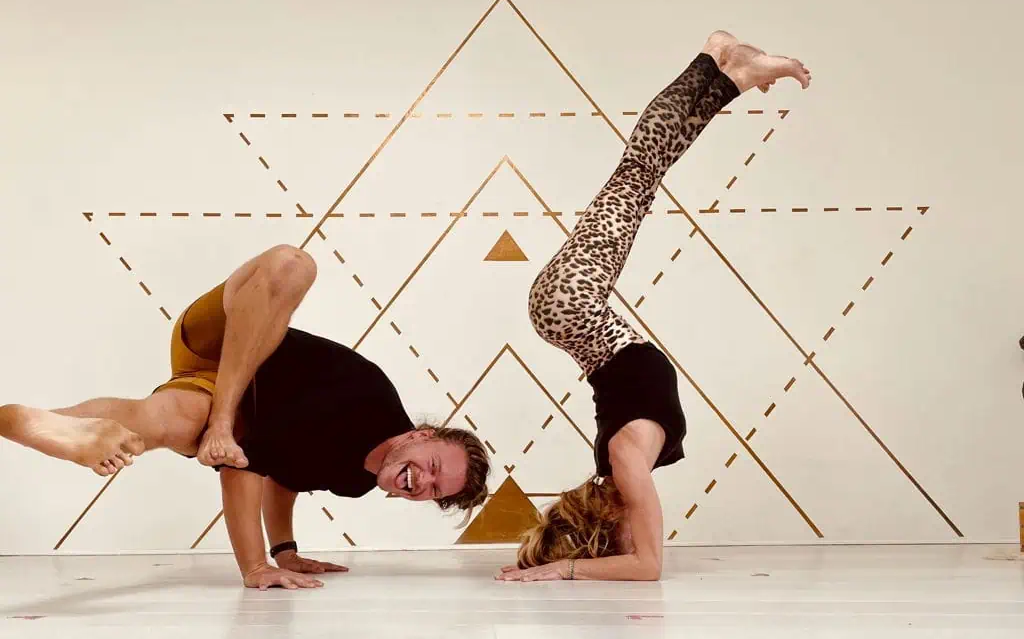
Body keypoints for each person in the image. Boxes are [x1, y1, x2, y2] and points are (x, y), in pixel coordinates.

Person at [496, 31, 811, 582]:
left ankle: (717, 61)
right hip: (572, 317)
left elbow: (646, 567)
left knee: (636, 174)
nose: (637, 535)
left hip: (572, 310)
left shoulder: (623, 463)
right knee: (641, 176)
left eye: (609, 546)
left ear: (601, 531)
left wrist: (566, 569)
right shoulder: (619, 467)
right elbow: (640, 557)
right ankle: (728, 75)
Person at [1, 244, 490, 590]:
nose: (423, 482)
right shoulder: (366, 398)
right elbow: (242, 464)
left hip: (217, 398)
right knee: (292, 265)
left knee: (161, 422)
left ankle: (46, 423)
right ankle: (213, 419)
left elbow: (284, 478)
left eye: (434, 490)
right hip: (232, 338)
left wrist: (284, 551)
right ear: (423, 434)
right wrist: (255, 566)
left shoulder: (356, 481)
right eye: (433, 466)